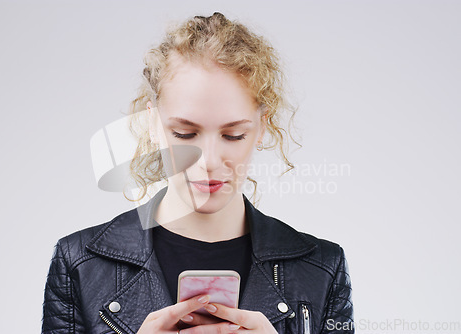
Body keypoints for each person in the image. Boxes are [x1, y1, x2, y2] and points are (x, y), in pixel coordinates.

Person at [42, 12, 354, 334]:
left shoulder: (323, 269)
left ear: (262, 126)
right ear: (152, 124)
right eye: (185, 134)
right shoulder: (78, 263)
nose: (208, 160)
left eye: (233, 135)